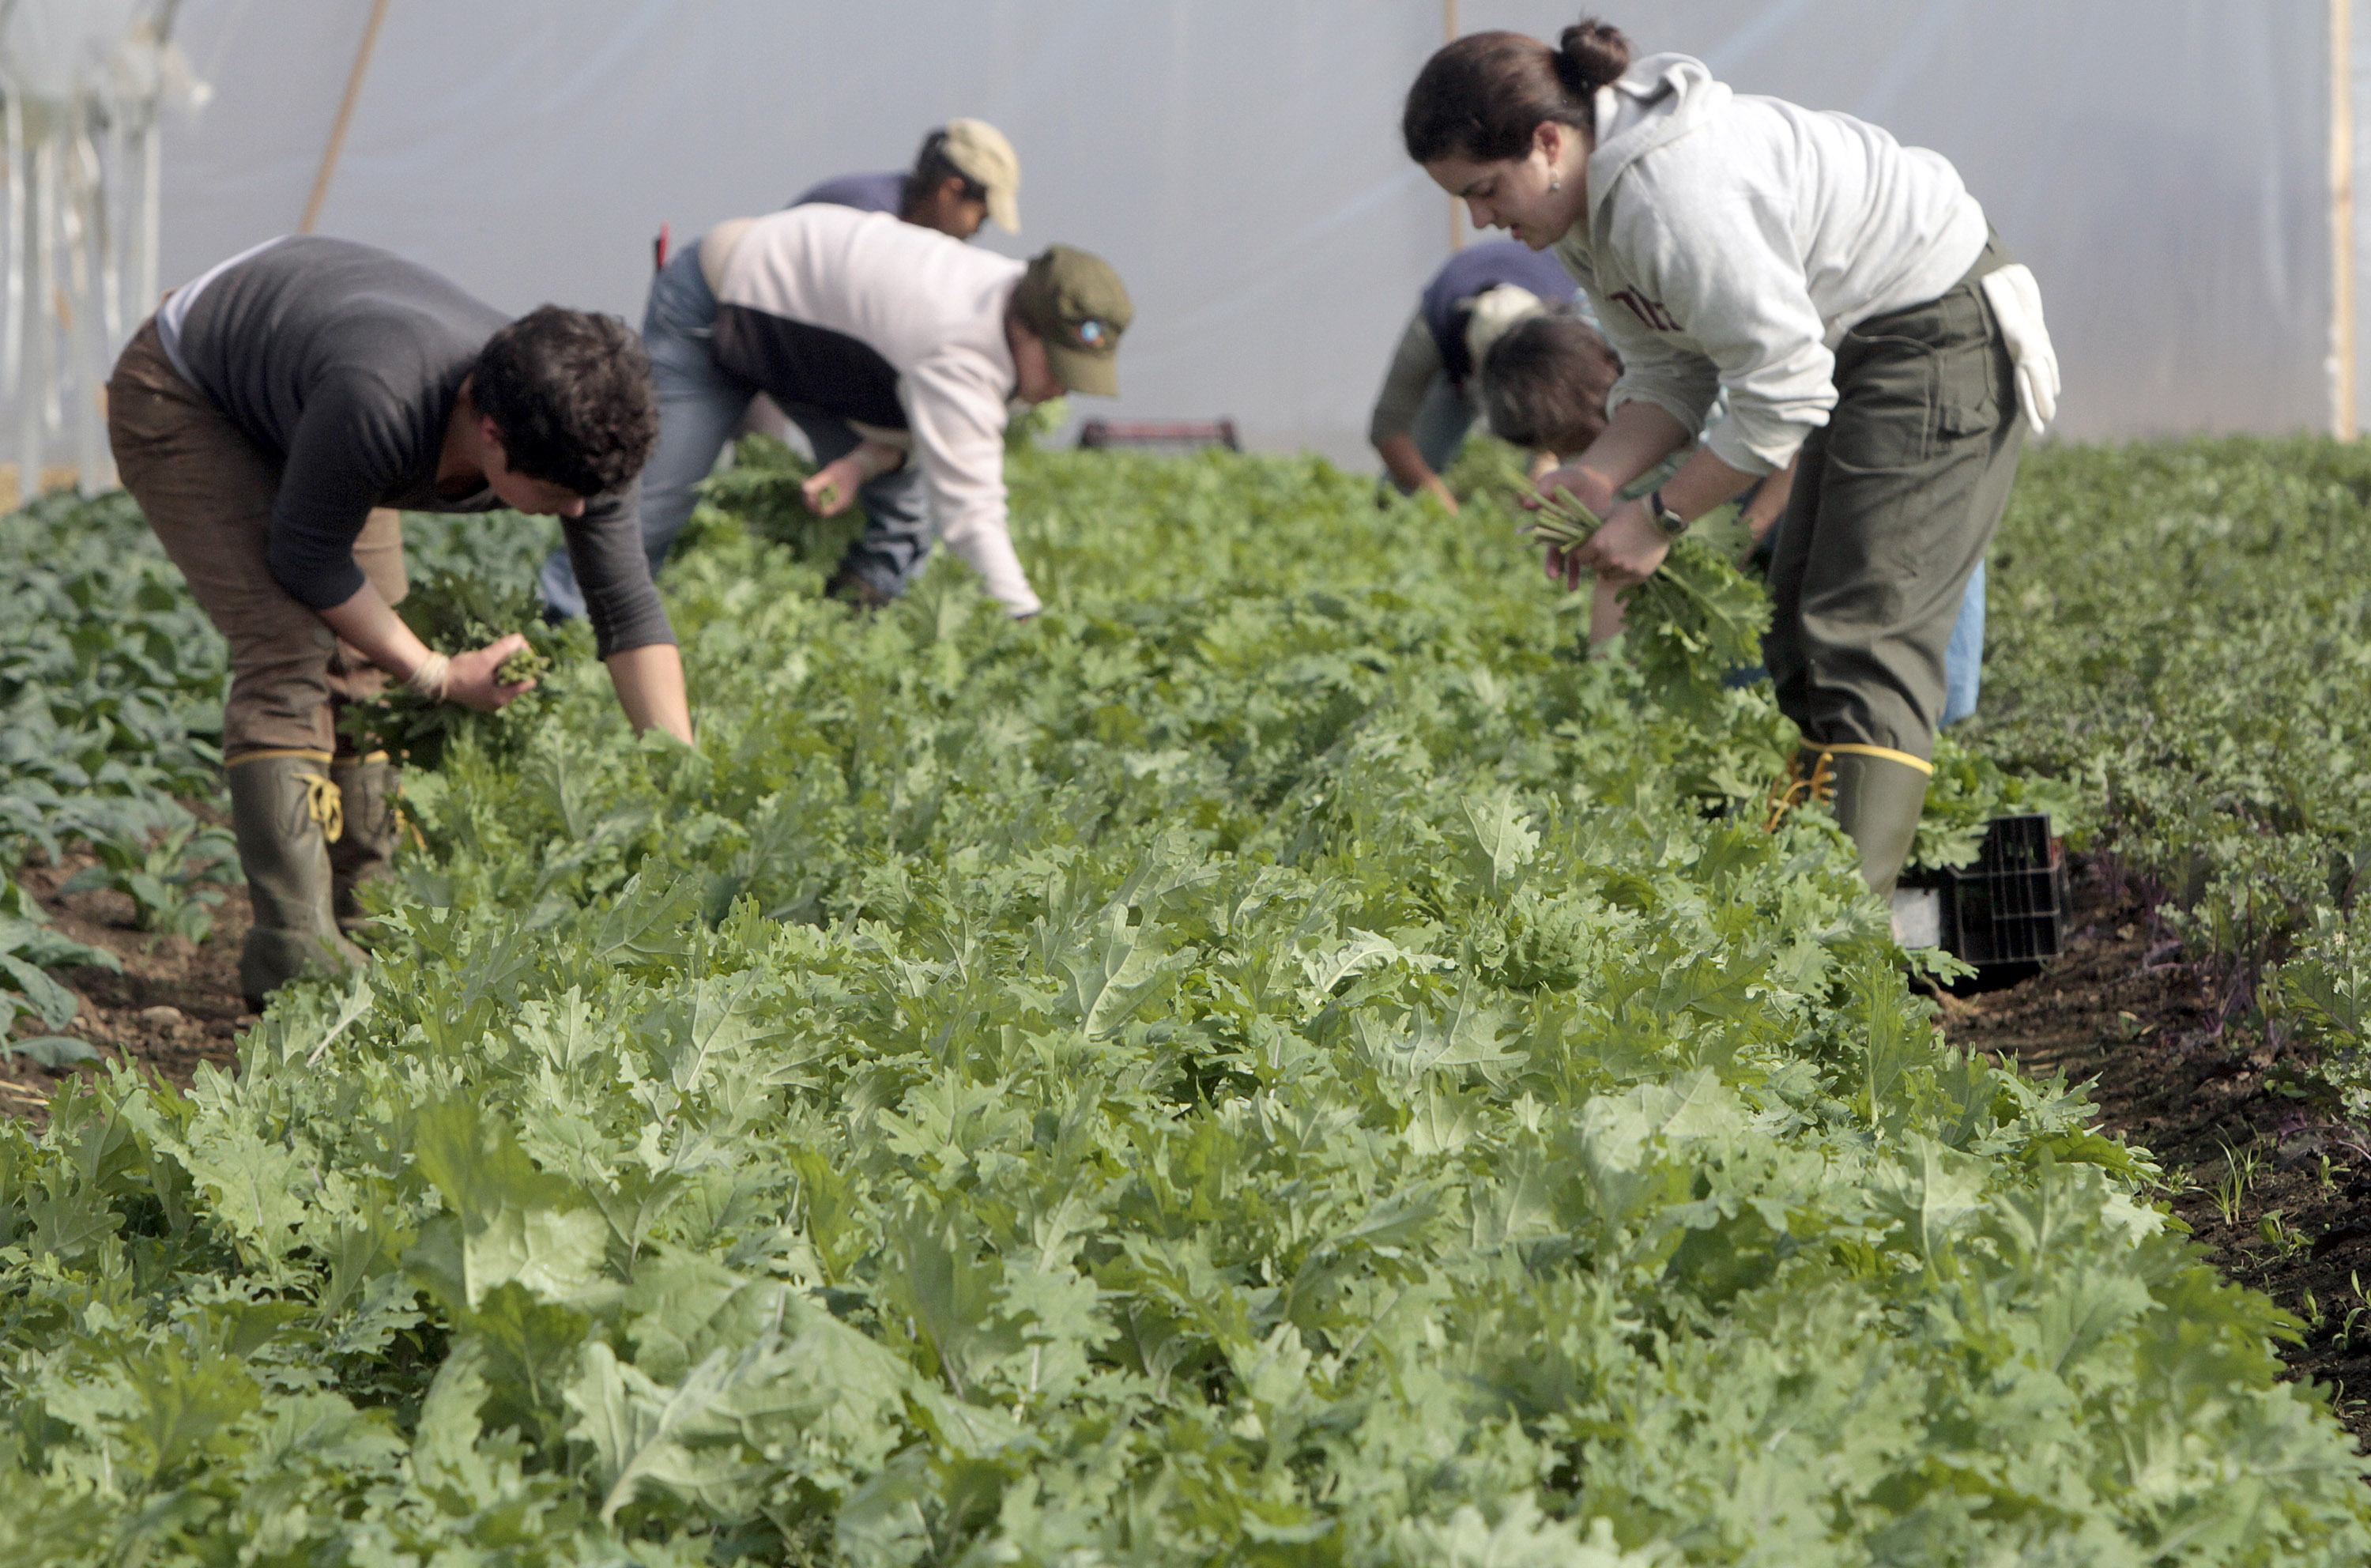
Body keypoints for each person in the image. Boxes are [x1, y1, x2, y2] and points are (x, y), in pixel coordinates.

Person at [1403, 17, 2056, 899]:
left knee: (1864, 631)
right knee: (1798, 629)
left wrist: (1659, 518)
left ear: (1549, 142)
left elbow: (1781, 393)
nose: (1482, 219)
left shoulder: (1673, 194)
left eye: (1485, 190)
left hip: (1936, 325)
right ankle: (1812, 876)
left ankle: (1838, 927)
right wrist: (1598, 477)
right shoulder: (1587, 217)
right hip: (1860, 341)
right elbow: (1670, 370)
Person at [107, 235, 692, 1008]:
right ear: (492, 434)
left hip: (313, 383)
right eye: (559, 494)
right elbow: (308, 559)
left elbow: (624, 602)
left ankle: (369, 910)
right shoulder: (382, 401)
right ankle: (294, 951)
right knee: (290, 648)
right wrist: (440, 674)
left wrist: (683, 775)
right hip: (190, 389)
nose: (580, 511)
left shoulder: (586, 435)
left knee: (367, 661)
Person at [542, 203, 1129, 627]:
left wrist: (857, 467)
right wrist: (1024, 620)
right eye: (1060, 368)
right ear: (1025, 329)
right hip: (717, 299)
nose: (1062, 389)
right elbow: (971, 513)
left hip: (810, 347)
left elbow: (914, 432)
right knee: (652, 504)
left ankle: (849, 638)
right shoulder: (961, 345)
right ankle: (557, 630)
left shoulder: (1009, 307)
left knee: (898, 517)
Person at [1370, 239, 1600, 509]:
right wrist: (1437, 499)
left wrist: (1546, 460)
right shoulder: (1432, 328)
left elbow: (1568, 401)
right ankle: (1389, 511)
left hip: (1552, 349)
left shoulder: (1570, 321)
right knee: (1424, 450)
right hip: (1452, 361)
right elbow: (1386, 427)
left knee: (1571, 447)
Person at [791, 119, 1022, 242]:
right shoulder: (866, 220)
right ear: (950, 190)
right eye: (981, 218)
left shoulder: (897, 215)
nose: (976, 231)